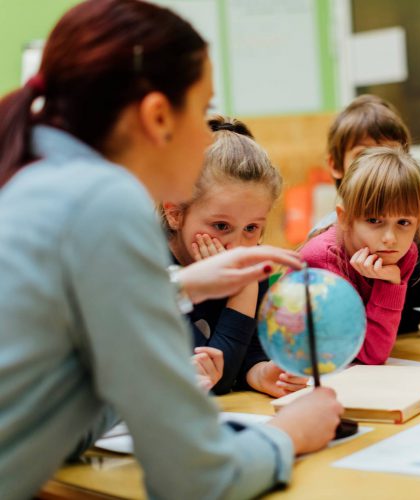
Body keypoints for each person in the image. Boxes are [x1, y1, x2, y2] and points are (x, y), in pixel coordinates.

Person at [0, 2, 341, 498]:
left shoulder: (37, 180)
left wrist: (181, 285)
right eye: (202, 112)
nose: (208, 135)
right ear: (158, 116)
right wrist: (290, 434)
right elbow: (195, 479)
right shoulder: (106, 202)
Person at [161, 116, 308, 397]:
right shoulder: (149, 267)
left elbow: (244, 357)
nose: (237, 247)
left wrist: (261, 373)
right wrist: (244, 289)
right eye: (221, 227)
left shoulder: (251, 258)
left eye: (252, 228)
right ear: (175, 212)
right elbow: (212, 380)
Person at [312, 94, 420, 333]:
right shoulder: (325, 240)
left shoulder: (401, 228)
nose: (377, 164)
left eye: (386, 153)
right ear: (335, 165)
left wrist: (392, 277)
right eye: (363, 154)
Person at [301, 147, 420, 364]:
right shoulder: (323, 259)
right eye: (374, 221)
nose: (390, 238)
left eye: (404, 223)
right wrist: (390, 286)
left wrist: (390, 281)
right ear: (344, 217)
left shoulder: (404, 255)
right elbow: (371, 353)